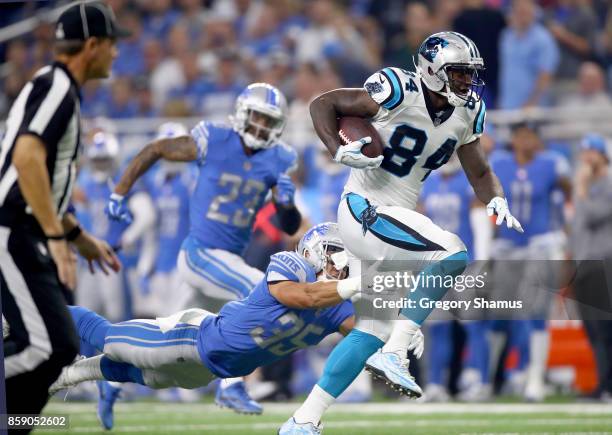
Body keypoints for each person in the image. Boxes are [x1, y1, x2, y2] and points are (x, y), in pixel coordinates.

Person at [280, 31, 523, 434]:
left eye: (470, 74)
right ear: (431, 70)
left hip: (393, 217)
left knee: (371, 330)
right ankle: (397, 351)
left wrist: (496, 197)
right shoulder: (398, 88)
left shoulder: (468, 111)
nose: (467, 81)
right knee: (452, 252)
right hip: (364, 209)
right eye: (459, 73)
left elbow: (478, 171)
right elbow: (324, 103)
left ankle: (303, 419)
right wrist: (335, 148)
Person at [105, 82, 301, 414]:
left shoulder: (278, 158)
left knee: (168, 344)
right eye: (256, 117)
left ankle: (109, 379)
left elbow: (290, 227)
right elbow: (156, 149)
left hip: (223, 264)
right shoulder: (215, 139)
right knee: (261, 289)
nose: (261, 126)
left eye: (268, 121)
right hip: (200, 254)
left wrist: (285, 204)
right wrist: (119, 192)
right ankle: (232, 384)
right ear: (241, 114)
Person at [49, 223, 357, 406]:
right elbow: (302, 296)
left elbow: (365, 337)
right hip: (191, 339)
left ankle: (72, 373)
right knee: (110, 339)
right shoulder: (293, 266)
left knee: (143, 374)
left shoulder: (335, 306)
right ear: (312, 252)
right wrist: (360, 284)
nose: (340, 265)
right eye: (335, 254)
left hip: (207, 370)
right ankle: (31, 312)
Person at [0, 2, 125, 429]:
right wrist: (56, 237)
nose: (115, 53)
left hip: (23, 230)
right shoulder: (57, 84)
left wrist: (76, 235)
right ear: (92, 45)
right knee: (43, 348)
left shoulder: (60, 89)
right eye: (111, 45)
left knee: (58, 348)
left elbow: (44, 183)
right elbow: (27, 156)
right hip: (11, 231)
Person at [488, 122, 572, 402]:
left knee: (537, 311)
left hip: (540, 242)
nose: (526, 141)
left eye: (531, 136)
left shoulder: (551, 164)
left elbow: (568, 194)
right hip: (507, 245)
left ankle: (535, 378)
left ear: (538, 140)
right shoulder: (499, 162)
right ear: (513, 138)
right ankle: (491, 378)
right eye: (522, 135)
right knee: (500, 312)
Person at [571, 134, 612, 402]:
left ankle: (606, 386)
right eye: (583, 153)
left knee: (604, 329)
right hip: (584, 262)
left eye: (591, 152)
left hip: (604, 262)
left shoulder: (607, 183)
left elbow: (593, 215)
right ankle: (603, 383)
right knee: (593, 329)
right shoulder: (585, 185)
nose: (586, 158)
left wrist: (582, 189)